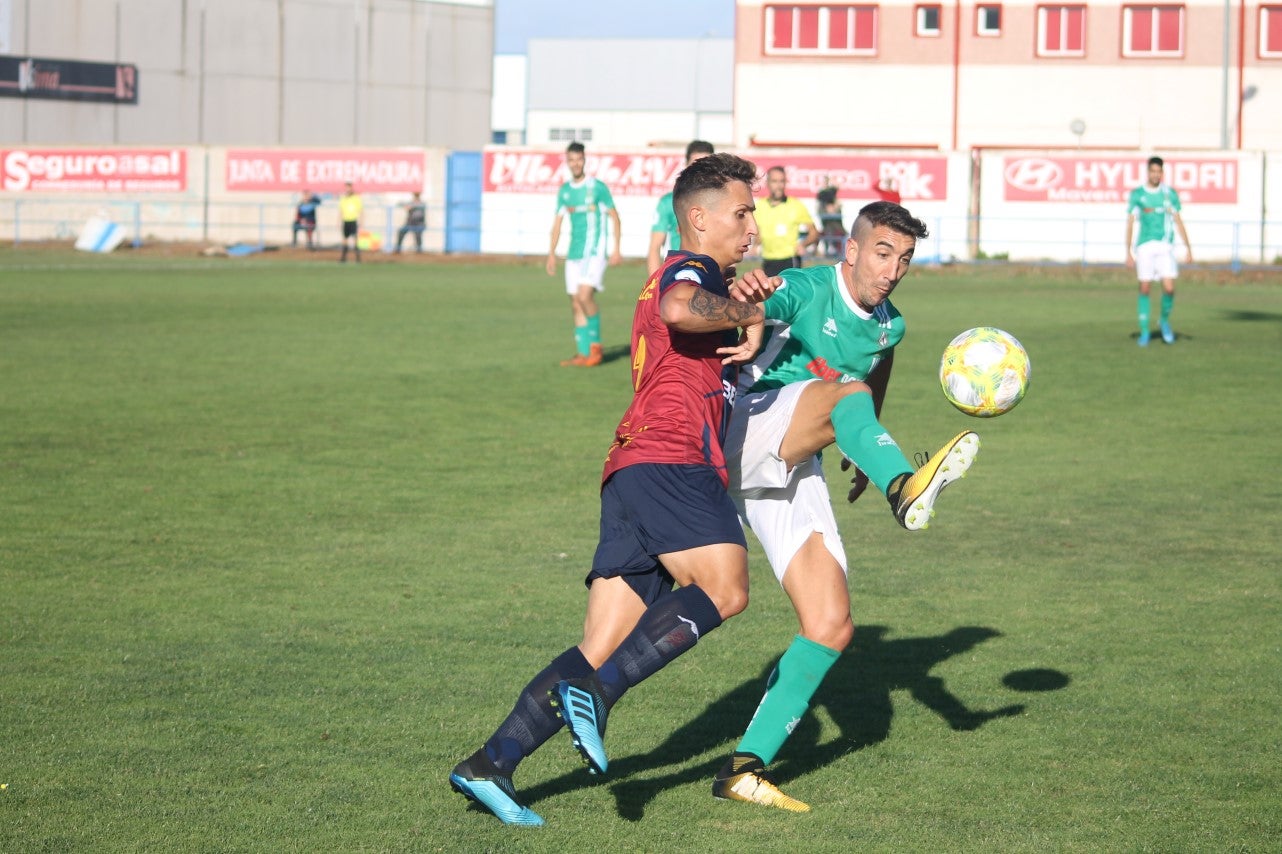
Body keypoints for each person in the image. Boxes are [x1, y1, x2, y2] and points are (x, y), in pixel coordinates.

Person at [450, 153, 776, 827]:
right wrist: (741, 310)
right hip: (671, 459)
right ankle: (601, 696)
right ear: (699, 217)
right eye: (741, 212)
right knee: (726, 587)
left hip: (632, 468)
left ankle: (490, 763)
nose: (751, 225)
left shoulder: (714, 281)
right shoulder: (692, 272)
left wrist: (749, 318)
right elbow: (682, 308)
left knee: (598, 645)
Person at [712, 201, 981, 811]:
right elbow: (754, 300)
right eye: (883, 253)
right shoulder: (808, 285)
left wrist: (866, 443)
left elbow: (872, 375)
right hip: (745, 425)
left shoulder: (893, 325)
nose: (892, 270)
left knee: (831, 623)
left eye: (905, 259)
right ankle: (904, 486)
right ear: (852, 250)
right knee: (846, 397)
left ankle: (744, 766)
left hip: (796, 452)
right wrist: (748, 296)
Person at [546, 142, 623, 367]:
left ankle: (595, 348)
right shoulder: (565, 191)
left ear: (584, 160)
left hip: (594, 250)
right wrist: (551, 253)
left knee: (584, 296)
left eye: (579, 159)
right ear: (567, 162)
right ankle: (582, 353)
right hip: (573, 253)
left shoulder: (597, 187)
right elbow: (557, 224)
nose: (576, 163)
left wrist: (617, 248)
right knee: (574, 302)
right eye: (571, 160)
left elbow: (614, 216)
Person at [1126, 156, 1192, 346]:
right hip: (1145, 246)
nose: (1155, 175)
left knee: (1169, 288)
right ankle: (1145, 332)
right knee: (1145, 288)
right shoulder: (1138, 194)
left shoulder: (1169, 194)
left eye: (1158, 171)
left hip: (1165, 247)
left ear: (1162, 173)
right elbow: (1130, 223)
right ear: (1148, 172)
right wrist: (1128, 251)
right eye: (1152, 171)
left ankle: (1163, 321)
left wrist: (1188, 247)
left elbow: (1178, 220)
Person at [647, 140, 716, 275]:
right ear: (686, 165)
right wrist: (655, 286)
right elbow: (655, 247)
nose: (700, 170)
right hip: (680, 276)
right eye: (696, 164)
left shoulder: (722, 202)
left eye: (706, 165)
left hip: (713, 276)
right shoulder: (669, 201)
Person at [754, 165, 820, 276]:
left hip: (790, 259)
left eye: (782, 181)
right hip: (768, 260)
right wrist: (755, 246)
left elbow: (814, 233)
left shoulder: (796, 205)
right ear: (768, 183)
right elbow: (758, 234)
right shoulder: (760, 206)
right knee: (771, 293)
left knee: (790, 293)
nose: (779, 186)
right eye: (775, 181)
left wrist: (803, 245)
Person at [815, 177, 844, 260]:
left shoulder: (831, 191)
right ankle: (827, 251)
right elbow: (823, 203)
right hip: (827, 219)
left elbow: (836, 190)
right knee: (827, 233)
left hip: (833, 220)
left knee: (837, 233)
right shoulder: (822, 193)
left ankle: (837, 251)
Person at [338, 182, 362, 263]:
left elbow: (361, 210)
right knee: (345, 240)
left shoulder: (356, 198)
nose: (347, 189)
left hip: (353, 221)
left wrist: (361, 221)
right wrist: (339, 221)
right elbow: (341, 211)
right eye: (346, 188)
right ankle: (343, 258)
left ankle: (358, 258)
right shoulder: (343, 198)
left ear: (351, 188)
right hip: (346, 221)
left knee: (355, 239)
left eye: (349, 187)